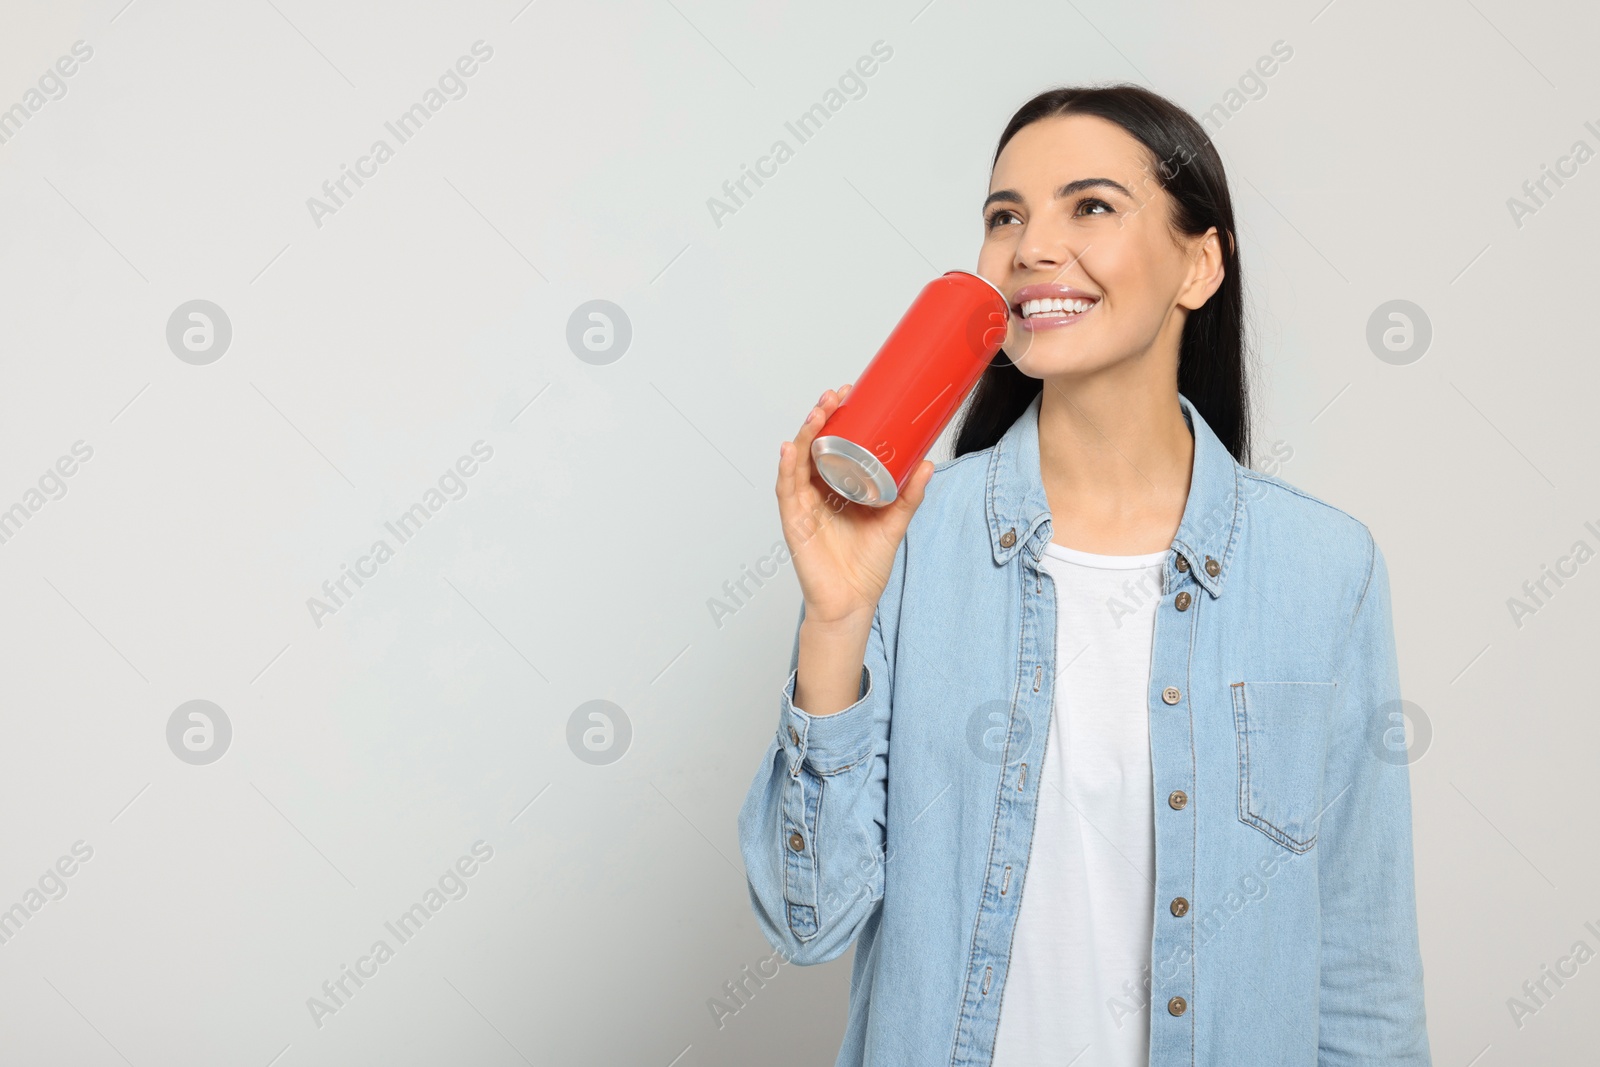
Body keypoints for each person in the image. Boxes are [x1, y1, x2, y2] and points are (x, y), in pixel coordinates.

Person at [738, 83, 1431, 1067]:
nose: (1029, 247)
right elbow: (808, 922)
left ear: (1198, 264)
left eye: (1090, 205)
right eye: (1003, 215)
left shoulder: (1324, 571)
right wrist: (835, 620)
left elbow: (1364, 981)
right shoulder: (907, 543)